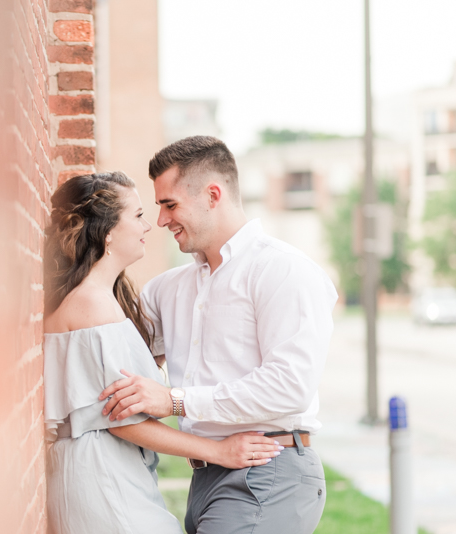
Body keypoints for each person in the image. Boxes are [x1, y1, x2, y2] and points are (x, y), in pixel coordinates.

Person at [99, 136, 338, 534]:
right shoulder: (165, 290)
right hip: (205, 476)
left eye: (169, 204)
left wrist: (175, 401)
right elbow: (120, 364)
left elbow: (289, 386)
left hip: (268, 467)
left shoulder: (284, 271)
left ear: (213, 195)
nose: (161, 221)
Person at [43, 171, 283, 534]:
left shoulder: (102, 299)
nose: (150, 225)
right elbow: (123, 421)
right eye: (137, 215)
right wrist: (218, 451)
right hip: (102, 480)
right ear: (107, 231)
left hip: (111, 474)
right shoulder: (92, 304)